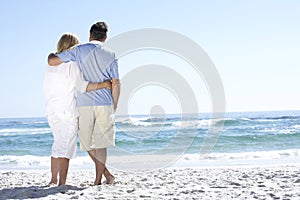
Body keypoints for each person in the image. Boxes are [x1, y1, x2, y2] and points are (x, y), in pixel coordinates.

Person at [48, 22, 120, 185]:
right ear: (105, 37)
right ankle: (98, 180)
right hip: (104, 102)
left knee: (86, 142)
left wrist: (50, 56)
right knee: (101, 143)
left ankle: (102, 178)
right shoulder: (111, 54)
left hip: (83, 103)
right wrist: (114, 105)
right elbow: (116, 82)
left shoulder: (78, 51)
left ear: (90, 34)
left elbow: (53, 61)